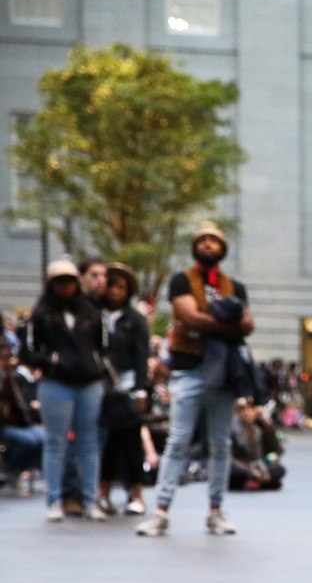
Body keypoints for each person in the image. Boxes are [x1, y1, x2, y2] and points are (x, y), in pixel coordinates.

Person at [136, 222, 252, 537]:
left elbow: (246, 325)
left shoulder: (235, 287)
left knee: (220, 443)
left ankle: (215, 511)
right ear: (195, 246)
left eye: (215, 240)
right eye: (203, 239)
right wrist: (224, 324)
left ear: (223, 249)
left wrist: (205, 324)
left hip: (223, 373)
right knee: (178, 441)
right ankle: (160, 510)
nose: (209, 244)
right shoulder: (181, 281)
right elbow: (188, 317)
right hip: (189, 370)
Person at [17, 259, 110, 522]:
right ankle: (54, 500)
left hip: (89, 382)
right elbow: (27, 350)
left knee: (89, 443)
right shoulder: (41, 314)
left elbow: (104, 345)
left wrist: (96, 364)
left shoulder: (90, 311)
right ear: (52, 284)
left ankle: (91, 500)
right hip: (56, 384)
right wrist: (51, 362)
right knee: (56, 442)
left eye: (70, 281)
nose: (67, 287)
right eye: (61, 282)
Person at [97, 263, 154, 516]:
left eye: (121, 287)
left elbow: (142, 356)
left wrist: (141, 390)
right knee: (105, 443)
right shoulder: (93, 314)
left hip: (127, 387)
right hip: (98, 386)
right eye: (111, 285)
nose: (115, 291)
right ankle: (103, 495)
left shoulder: (135, 320)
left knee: (131, 443)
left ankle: (137, 494)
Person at [1, 338, 45, 494]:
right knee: (30, 441)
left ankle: (16, 469)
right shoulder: (6, 378)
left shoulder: (12, 378)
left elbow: (21, 402)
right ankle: (10, 468)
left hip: (19, 423)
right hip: (4, 425)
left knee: (43, 437)